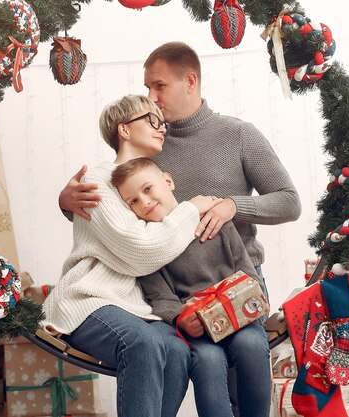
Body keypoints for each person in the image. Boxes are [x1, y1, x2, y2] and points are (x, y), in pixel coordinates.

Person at [59, 42, 302, 415]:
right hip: (178, 291)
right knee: (205, 364)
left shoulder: (238, 135)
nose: (152, 99)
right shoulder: (151, 143)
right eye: (147, 89)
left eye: (159, 87)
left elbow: (289, 201)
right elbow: (117, 204)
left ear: (190, 81)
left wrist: (234, 206)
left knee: (247, 367)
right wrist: (65, 202)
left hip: (237, 279)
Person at [41, 95, 221, 417]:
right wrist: (192, 208)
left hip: (135, 305)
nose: (161, 128)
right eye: (151, 120)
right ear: (124, 129)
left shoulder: (149, 181)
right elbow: (142, 249)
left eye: (161, 122)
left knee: (179, 350)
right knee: (142, 343)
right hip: (89, 299)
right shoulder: (97, 180)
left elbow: (156, 243)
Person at [111, 157, 271, 417]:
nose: (145, 202)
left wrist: (250, 302)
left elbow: (246, 270)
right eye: (133, 201)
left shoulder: (213, 221)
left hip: (239, 318)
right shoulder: (150, 246)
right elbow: (159, 296)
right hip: (197, 329)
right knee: (208, 361)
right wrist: (181, 318)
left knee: (251, 345)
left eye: (148, 189)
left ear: (168, 181)